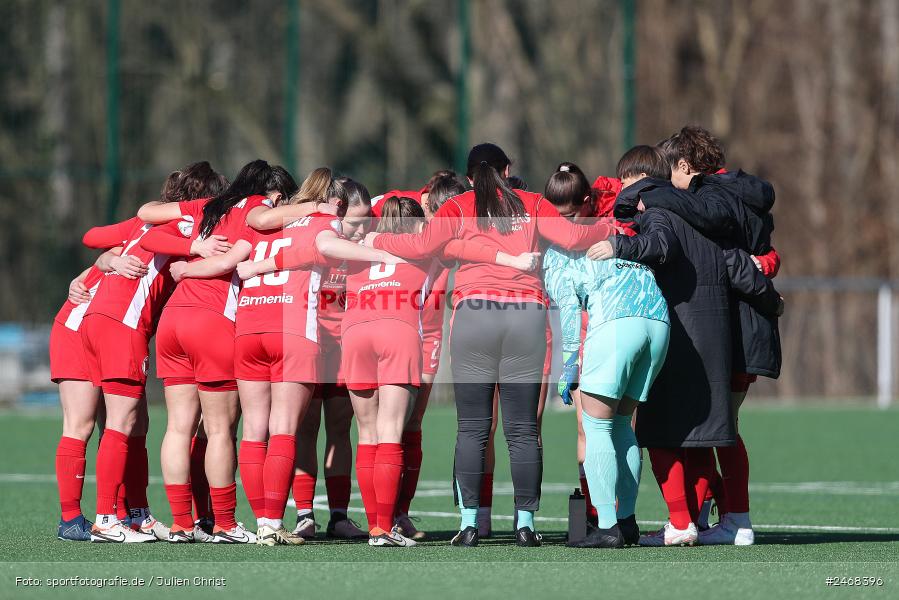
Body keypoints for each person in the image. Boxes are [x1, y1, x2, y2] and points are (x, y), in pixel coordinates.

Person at [367, 142, 616, 547]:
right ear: (508, 168)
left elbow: (418, 246)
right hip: (526, 318)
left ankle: (469, 524)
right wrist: (612, 228)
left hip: (474, 317)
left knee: (472, 429)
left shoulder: (459, 205)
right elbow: (573, 237)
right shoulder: (532, 201)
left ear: (469, 177)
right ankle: (526, 525)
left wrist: (376, 241)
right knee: (521, 431)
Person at [593, 145, 783, 546]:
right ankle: (718, 518)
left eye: (629, 183)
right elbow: (739, 266)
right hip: (723, 333)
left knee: (664, 432)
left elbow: (661, 245)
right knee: (709, 432)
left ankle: (685, 521)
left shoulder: (667, 211)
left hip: (685, 331)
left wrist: (620, 245)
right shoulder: (713, 213)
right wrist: (770, 294)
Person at [136, 160, 285, 544]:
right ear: (268, 194)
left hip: (172, 321)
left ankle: (182, 523)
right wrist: (189, 268)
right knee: (220, 429)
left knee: (178, 426)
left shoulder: (208, 205)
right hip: (212, 321)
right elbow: (230, 262)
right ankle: (224, 523)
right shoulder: (256, 210)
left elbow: (146, 219)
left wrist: (189, 251)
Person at [79, 162, 229, 543]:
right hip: (123, 324)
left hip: (101, 318)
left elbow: (92, 235)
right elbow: (152, 244)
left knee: (137, 425)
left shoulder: (142, 221)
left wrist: (108, 259)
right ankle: (106, 519)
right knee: (121, 423)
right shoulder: (188, 222)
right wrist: (194, 245)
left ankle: (137, 515)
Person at [542, 161, 670, 548]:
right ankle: (628, 521)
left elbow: (568, 309)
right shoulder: (615, 223)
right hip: (658, 320)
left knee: (596, 426)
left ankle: (608, 526)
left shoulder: (557, 249)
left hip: (617, 323)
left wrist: (568, 365)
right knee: (621, 425)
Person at [51, 242, 143, 540]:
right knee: (81, 424)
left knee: (126, 424)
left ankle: (119, 512)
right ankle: (70, 519)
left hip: (108, 329)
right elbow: (104, 257)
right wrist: (83, 278)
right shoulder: (159, 227)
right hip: (77, 326)